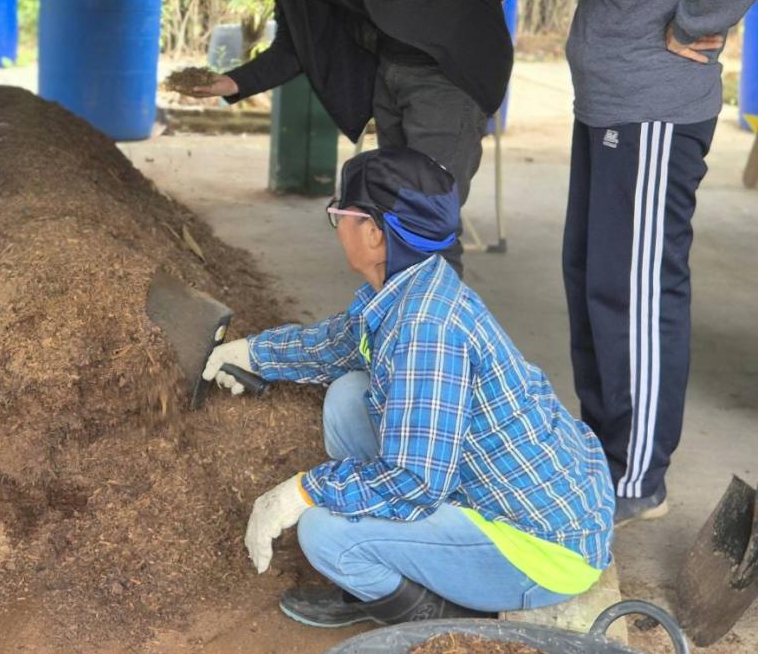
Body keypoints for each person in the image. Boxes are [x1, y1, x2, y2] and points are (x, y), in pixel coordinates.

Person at [203, 147, 614, 628]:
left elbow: (415, 481)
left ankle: (439, 615)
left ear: (374, 233)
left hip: (539, 549)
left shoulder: (425, 330)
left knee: (325, 533)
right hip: (508, 490)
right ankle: (408, 555)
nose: (336, 226)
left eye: (340, 215)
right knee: (349, 394)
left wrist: (299, 492)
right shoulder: (415, 283)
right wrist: (252, 354)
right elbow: (341, 343)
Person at [550, 0, 758, 525]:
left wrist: (698, 19)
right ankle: (603, 451)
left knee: (631, 291)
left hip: (653, 113)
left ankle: (636, 475)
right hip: (608, 107)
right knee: (589, 280)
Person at [191, 0, 523, 273]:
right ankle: (399, 314)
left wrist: (451, 21)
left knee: (426, 222)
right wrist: (233, 83)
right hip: (391, 73)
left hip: (449, 77)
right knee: (392, 217)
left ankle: (436, 318)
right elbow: (296, 46)